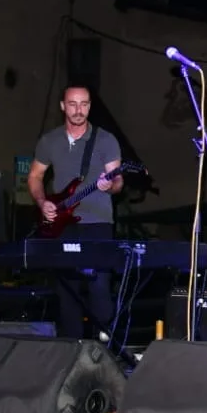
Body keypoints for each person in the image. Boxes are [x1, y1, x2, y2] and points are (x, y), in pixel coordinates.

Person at [26, 85, 124, 341]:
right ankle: (72, 347)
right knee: (66, 290)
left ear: (90, 106)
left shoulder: (105, 140)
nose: (78, 110)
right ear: (63, 106)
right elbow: (35, 176)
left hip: (97, 223)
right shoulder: (49, 141)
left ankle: (103, 346)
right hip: (63, 224)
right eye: (72, 104)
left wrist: (110, 185)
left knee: (99, 287)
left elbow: (118, 181)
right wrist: (42, 202)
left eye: (84, 104)